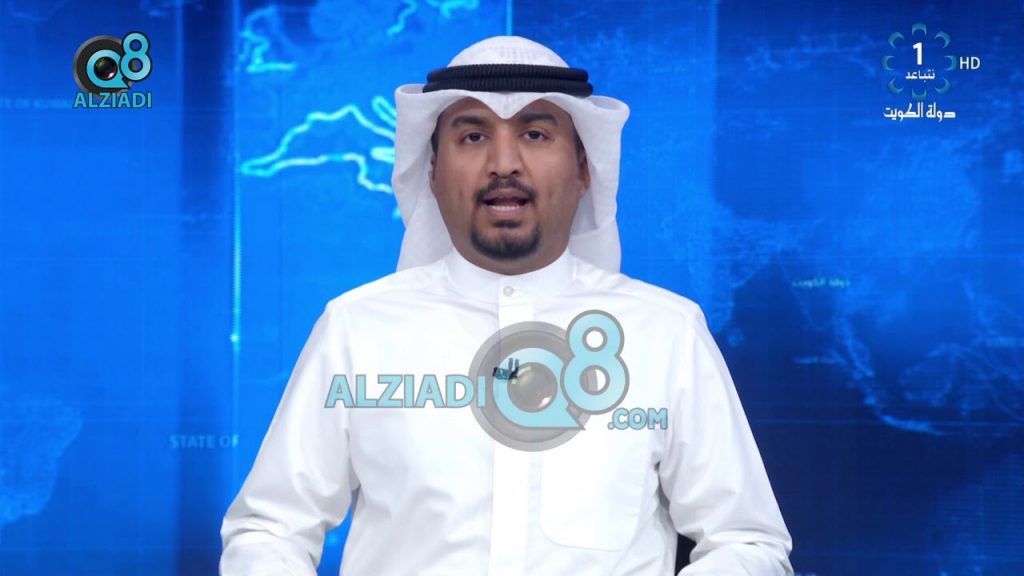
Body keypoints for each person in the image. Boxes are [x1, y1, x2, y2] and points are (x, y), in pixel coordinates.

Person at [221, 36, 793, 575]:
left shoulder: (666, 333)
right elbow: (269, 530)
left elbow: (747, 542)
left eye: (535, 134)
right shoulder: (357, 329)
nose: (503, 163)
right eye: (472, 137)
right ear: (432, 171)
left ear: (584, 169)